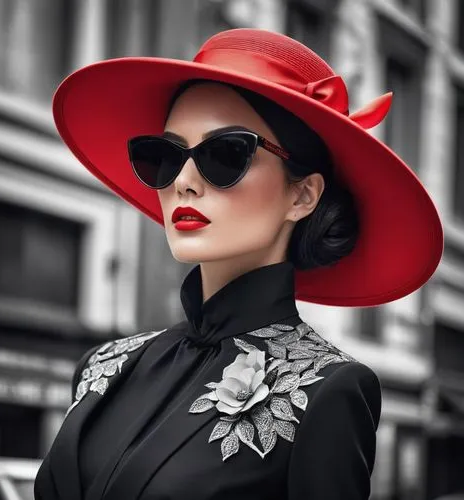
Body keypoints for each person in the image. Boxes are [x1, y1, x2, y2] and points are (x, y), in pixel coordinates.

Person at [34, 28, 443, 500]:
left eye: (225, 153)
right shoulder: (103, 365)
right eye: (163, 156)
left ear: (303, 194)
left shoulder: (327, 391)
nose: (183, 182)